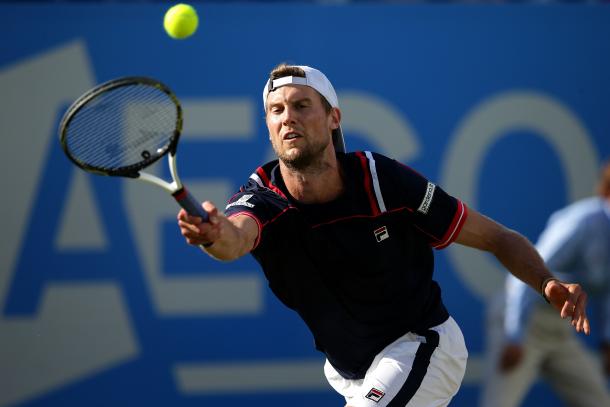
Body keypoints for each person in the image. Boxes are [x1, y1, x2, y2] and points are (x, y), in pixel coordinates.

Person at [177, 64, 590, 407]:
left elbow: (497, 238)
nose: (289, 117)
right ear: (268, 126)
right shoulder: (260, 198)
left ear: (333, 118)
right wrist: (214, 234)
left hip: (421, 346)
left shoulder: (383, 181)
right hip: (350, 372)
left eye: (302, 106)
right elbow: (235, 239)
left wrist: (547, 281)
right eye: (277, 110)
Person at [480, 160, 610, 407]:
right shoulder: (581, 222)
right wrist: (514, 336)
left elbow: (606, 292)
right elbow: (527, 272)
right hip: (522, 319)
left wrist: (607, 342)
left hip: (560, 331)